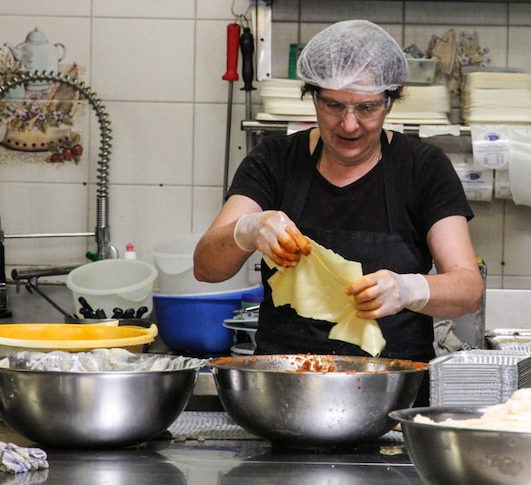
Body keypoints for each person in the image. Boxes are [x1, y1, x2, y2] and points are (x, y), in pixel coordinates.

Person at [194, 19, 484, 402]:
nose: (349, 125)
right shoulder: (274, 161)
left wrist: (409, 288)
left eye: (366, 107)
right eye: (333, 105)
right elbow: (206, 268)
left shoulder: (422, 167)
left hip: (394, 399)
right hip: (285, 394)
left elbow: (467, 288)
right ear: (312, 96)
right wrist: (246, 229)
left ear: (390, 99)